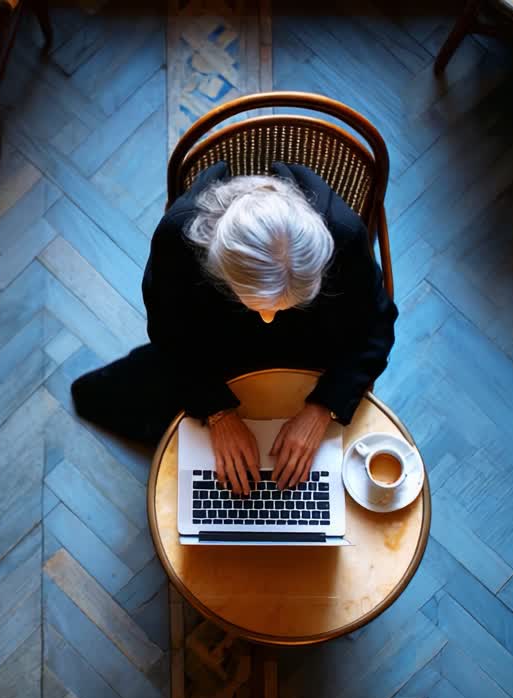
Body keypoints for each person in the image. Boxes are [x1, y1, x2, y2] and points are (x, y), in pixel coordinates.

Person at [71, 161, 398, 496]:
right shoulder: (177, 241)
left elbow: (375, 325)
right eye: (258, 305)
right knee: (110, 400)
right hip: (219, 352)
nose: (269, 319)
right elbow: (170, 331)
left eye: (289, 304)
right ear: (218, 268)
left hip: (313, 359)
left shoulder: (344, 234)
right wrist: (218, 413)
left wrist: (321, 408)